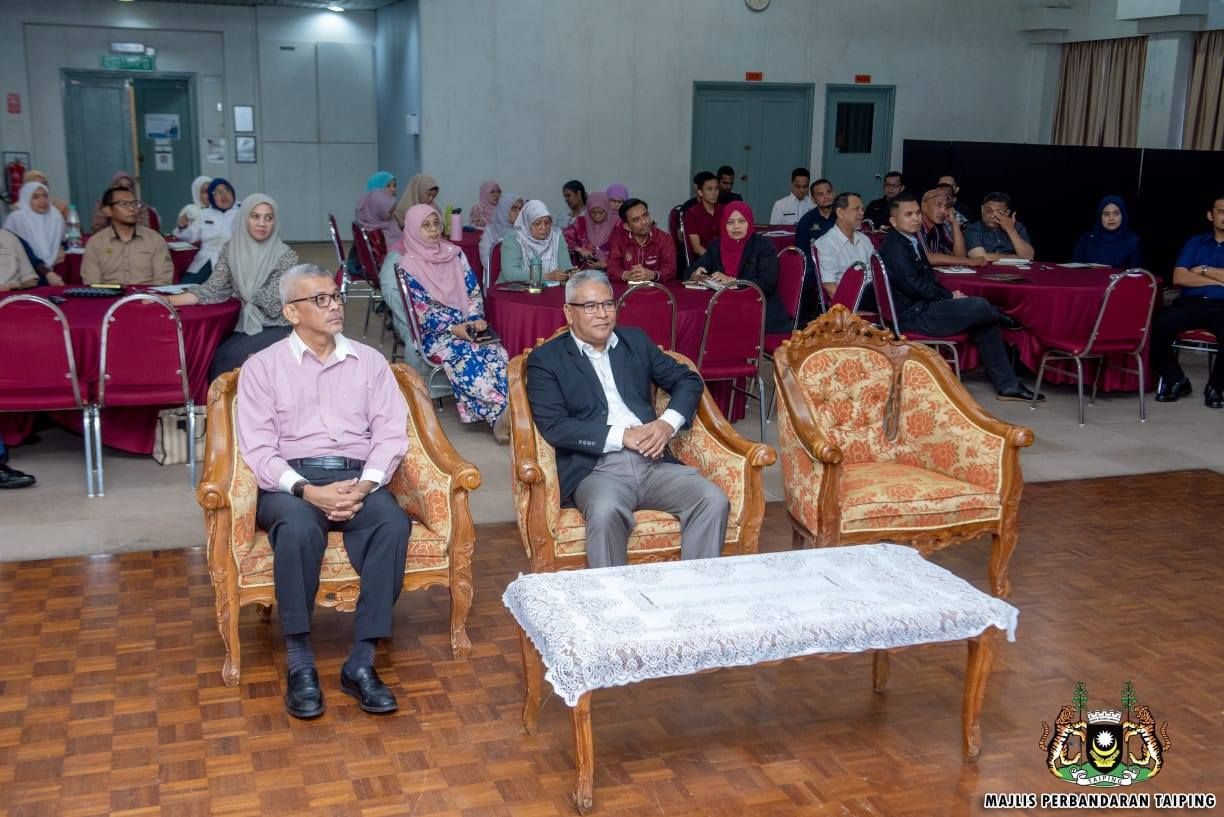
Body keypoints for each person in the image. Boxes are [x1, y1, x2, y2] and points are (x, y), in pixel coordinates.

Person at [236, 263, 411, 719]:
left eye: (335, 296)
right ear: (291, 313)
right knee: (296, 529)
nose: (334, 306)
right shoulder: (262, 367)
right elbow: (259, 449)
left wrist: (365, 486)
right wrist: (308, 491)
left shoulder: (369, 362)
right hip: (290, 483)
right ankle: (300, 662)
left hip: (358, 477)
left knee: (392, 523)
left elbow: (390, 434)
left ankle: (362, 661)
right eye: (320, 299)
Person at [525, 269, 730, 567]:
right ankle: (613, 596)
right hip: (597, 469)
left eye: (608, 304)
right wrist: (622, 436)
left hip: (653, 463)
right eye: (590, 306)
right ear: (569, 312)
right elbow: (555, 426)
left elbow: (687, 380)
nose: (602, 314)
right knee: (605, 512)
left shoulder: (635, 341)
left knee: (711, 499)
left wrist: (666, 424)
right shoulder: (546, 359)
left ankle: (693, 589)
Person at [880, 194, 1042, 402]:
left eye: (917, 213)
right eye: (908, 215)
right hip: (913, 314)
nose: (916, 218)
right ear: (894, 222)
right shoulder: (895, 247)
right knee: (979, 306)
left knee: (984, 321)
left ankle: (1008, 385)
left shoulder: (909, 239)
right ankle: (1001, 315)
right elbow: (913, 284)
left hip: (923, 305)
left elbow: (929, 277)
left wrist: (949, 296)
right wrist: (948, 296)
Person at [396, 204, 510, 438]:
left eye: (436, 223)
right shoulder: (409, 266)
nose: (433, 230)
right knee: (468, 360)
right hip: (437, 334)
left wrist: (476, 319)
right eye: (426, 225)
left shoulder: (455, 254)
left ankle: (504, 413)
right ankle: (501, 414)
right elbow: (421, 313)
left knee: (497, 354)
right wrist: (452, 328)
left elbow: (473, 292)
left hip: (468, 325)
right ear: (414, 229)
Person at [167, 194, 299, 379]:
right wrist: (168, 300)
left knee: (231, 359)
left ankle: (248, 399)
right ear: (244, 218)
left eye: (268, 218)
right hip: (244, 326)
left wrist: (243, 287)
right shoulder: (231, 250)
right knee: (213, 357)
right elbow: (212, 288)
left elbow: (273, 304)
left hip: (278, 327)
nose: (262, 223)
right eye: (255, 216)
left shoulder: (286, 256)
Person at [1150, 193, 1224, 408]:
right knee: (1158, 325)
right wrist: (1219, 280)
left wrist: (1203, 269)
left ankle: (1216, 387)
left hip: (1221, 307)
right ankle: (1176, 379)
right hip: (1190, 303)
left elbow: (1189, 273)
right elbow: (1179, 277)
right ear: (1211, 215)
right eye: (1221, 211)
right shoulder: (1195, 242)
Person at [687, 202, 790, 333]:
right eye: (730, 222)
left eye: (741, 221)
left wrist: (733, 281)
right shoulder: (717, 246)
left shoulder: (763, 246)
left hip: (760, 313)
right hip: (726, 309)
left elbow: (767, 283)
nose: (736, 226)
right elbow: (692, 268)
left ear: (749, 222)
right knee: (698, 326)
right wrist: (695, 274)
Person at [80, 186, 173, 286]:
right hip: (109, 295)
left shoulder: (155, 239)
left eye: (135, 203)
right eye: (124, 204)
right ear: (108, 211)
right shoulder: (96, 243)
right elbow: (92, 283)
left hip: (147, 295)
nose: (132, 208)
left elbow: (163, 281)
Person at [174, 178, 240, 286]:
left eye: (227, 190)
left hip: (233, 261)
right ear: (211, 197)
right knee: (184, 288)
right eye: (217, 192)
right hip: (206, 260)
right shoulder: (205, 214)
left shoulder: (242, 213)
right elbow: (191, 237)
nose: (224, 195)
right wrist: (182, 226)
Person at [814, 192, 874, 300]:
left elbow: (876, 271)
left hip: (873, 294)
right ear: (840, 213)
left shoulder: (865, 240)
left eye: (862, 209)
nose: (862, 213)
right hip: (851, 299)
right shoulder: (827, 243)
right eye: (856, 209)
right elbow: (829, 286)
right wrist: (852, 306)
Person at [499, 200, 574, 284]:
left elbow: (565, 266)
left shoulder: (556, 235)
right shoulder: (514, 238)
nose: (543, 227)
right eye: (537, 223)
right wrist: (546, 276)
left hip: (549, 288)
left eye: (547, 223)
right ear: (527, 223)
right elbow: (511, 274)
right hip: (512, 287)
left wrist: (570, 273)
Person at [608, 199, 677, 283]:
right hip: (626, 288)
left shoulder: (664, 239)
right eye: (636, 220)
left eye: (645, 215)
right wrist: (627, 275)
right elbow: (612, 269)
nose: (644, 222)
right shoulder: (617, 239)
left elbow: (671, 270)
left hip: (656, 288)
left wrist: (653, 275)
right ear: (627, 226)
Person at [3, 181, 64, 269]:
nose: (42, 200)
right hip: (21, 269)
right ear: (26, 198)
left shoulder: (55, 216)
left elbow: (62, 241)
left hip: (55, 265)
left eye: (45, 196)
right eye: (35, 197)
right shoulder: (17, 218)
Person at [917, 188, 984, 267]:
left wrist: (954, 223)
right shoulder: (915, 225)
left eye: (946, 207)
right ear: (923, 206)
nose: (943, 211)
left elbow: (960, 256)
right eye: (938, 205)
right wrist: (968, 261)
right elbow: (926, 257)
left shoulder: (938, 228)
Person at [1072, 196, 1142, 269]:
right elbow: (1074, 269)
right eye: (1106, 214)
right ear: (1100, 216)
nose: (1111, 218)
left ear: (1123, 215)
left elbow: (1135, 273)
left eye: (1116, 213)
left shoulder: (1132, 241)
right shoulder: (1087, 239)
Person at [965, 193, 1035, 261]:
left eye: (999, 212)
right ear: (982, 209)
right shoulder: (973, 229)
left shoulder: (1018, 227)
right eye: (989, 211)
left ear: (1007, 213)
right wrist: (1017, 258)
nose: (993, 216)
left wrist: (1011, 230)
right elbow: (980, 257)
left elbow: (1029, 256)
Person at [563, 190, 618, 270]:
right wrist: (579, 249)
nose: (597, 216)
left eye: (601, 212)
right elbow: (563, 237)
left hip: (611, 272)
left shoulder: (617, 224)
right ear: (588, 210)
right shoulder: (580, 223)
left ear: (607, 209)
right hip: (584, 272)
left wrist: (607, 264)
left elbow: (624, 250)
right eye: (593, 213)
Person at [478, 193, 523, 275]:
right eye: (514, 209)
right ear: (504, 209)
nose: (518, 212)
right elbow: (486, 260)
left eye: (520, 209)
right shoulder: (490, 231)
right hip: (497, 276)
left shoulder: (523, 230)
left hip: (520, 275)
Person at [684, 171, 723, 258]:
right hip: (704, 259)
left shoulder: (724, 209)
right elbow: (697, 248)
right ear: (700, 192)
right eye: (709, 189)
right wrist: (714, 260)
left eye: (716, 189)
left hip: (725, 256)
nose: (714, 193)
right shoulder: (692, 214)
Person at [793, 178, 837, 254]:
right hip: (815, 261)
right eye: (821, 194)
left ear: (834, 194)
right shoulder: (806, 221)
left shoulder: (843, 217)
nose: (826, 196)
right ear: (813, 199)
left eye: (828, 192)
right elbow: (802, 253)